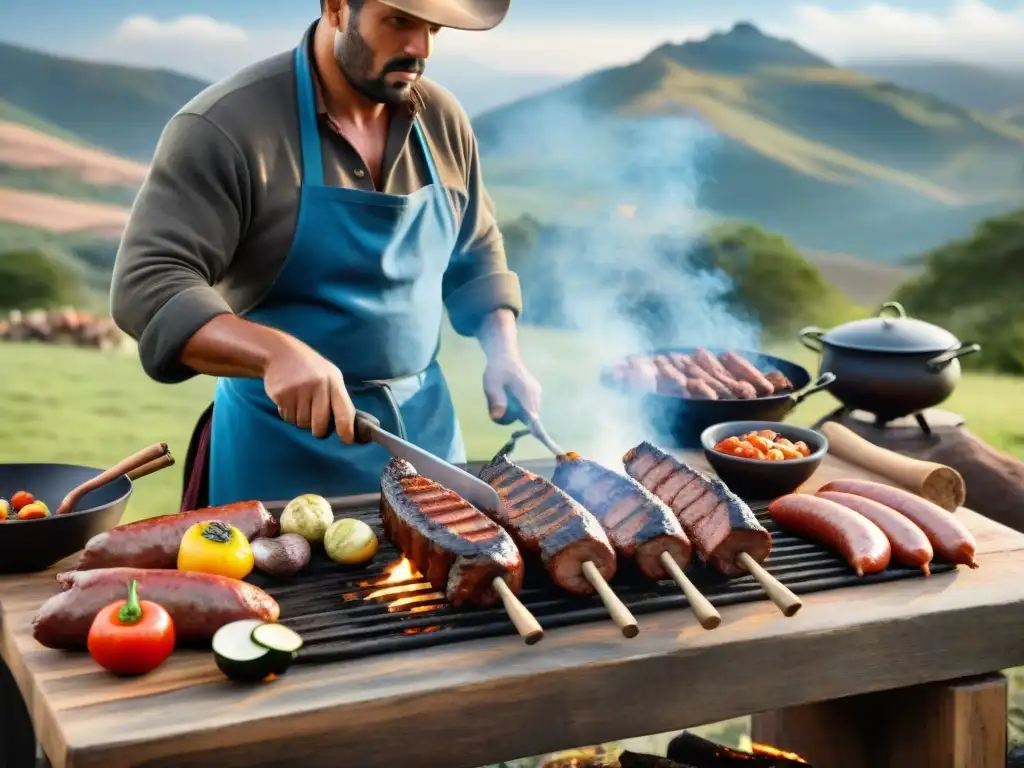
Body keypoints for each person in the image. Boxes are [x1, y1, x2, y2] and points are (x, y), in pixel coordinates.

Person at [109, 0, 541, 509]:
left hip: (428, 451)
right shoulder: (225, 126)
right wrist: (274, 353)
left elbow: (476, 251)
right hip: (279, 462)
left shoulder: (443, 120)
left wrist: (504, 350)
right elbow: (150, 284)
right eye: (399, 22)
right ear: (337, 7)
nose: (419, 49)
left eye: (432, 28)